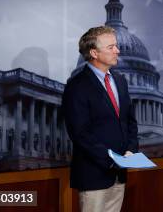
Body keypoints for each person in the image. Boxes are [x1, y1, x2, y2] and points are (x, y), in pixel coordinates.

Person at [62, 26, 138, 212]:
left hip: (119, 174)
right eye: (111, 47)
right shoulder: (76, 86)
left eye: (117, 46)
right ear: (94, 52)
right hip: (93, 175)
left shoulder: (120, 80)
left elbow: (129, 121)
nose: (117, 51)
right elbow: (80, 133)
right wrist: (111, 159)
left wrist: (130, 150)